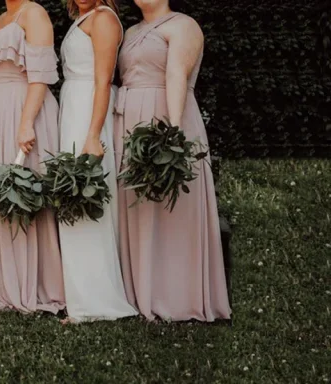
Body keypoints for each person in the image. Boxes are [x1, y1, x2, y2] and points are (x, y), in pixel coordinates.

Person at [114, 0, 231, 322]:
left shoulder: (183, 25)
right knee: (137, 203)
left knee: (172, 205)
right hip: (129, 121)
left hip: (164, 114)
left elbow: (178, 73)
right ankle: (138, 290)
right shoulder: (130, 31)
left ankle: (176, 294)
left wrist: (173, 131)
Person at [0, 0, 65, 313]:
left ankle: (40, 283)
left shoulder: (34, 13)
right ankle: (10, 281)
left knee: (30, 190)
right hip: (0, 108)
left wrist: (26, 122)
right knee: (7, 192)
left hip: (26, 107)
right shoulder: (1, 18)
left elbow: (40, 76)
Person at [57, 0, 138, 324]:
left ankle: (94, 300)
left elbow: (103, 81)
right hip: (74, 106)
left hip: (89, 112)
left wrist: (92, 135)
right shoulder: (85, 17)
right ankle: (80, 295)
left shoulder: (104, 18)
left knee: (86, 196)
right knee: (72, 196)